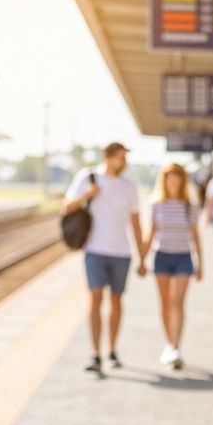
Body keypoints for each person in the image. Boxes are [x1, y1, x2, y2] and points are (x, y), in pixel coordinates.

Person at [62, 142, 145, 375]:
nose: (124, 162)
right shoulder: (87, 178)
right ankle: (96, 353)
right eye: (120, 157)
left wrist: (142, 257)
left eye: (125, 157)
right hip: (94, 250)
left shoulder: (129, 187)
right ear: (107, 157)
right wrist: (87, 195)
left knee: (116, 301)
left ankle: (112, 349)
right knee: (96, 297)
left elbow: (136, 223)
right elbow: (65, 207)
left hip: (122, 252)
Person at [141, 162, 203, 369]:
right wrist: (142, 259)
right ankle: (168, 343)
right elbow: (150, 234)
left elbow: (195, 235)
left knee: (178, 302)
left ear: (182, 179)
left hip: (184, 257)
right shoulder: (156, 204)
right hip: (162, 257)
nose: (173, 179)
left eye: (176, 175)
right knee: (166, 303)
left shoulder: (189, 205)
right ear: (164, 179)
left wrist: (200, 262)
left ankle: (176, 346)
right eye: (169, 175)